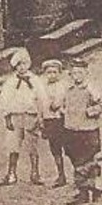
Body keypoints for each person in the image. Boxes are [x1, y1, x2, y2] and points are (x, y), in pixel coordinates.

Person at [63, 58, 102, 200]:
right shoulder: (69, 90)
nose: (76, 75)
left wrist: (90, 111)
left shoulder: (91, 89)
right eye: (74, 73)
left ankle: (95, 190)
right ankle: (82, 192)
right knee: (76, 160)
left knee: (90, 160)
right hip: (72, 130)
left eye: (79, 72)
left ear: (86, 73)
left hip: (88, 130)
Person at [0, 48, 45, 187]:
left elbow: (42, 98)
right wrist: (7, 117)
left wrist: (41, 116)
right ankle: (11, 174)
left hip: (31, 115)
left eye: (24, 64)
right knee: (13, 144)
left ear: (28, 64)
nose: (21, 67)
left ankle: (35, 173)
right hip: (16, 116)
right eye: (18, 65)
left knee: (33, 145)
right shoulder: (11, 82)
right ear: (15, 66)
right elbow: (4, 100)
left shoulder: (35, 80)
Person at [39, 59, 70, 187]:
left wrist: (61, 108)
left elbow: (66, 104)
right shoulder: (42, 88)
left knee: (69, 148)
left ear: (59, 73)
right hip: (49, 121)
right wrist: (41, 120)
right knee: (55, 149)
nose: (52, 75)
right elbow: (39, 105)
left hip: (62, 120)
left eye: (54, 72)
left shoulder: (64, 86)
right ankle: (61, 175)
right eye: (49, 72)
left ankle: (80, 175)